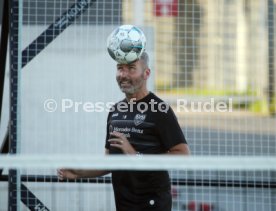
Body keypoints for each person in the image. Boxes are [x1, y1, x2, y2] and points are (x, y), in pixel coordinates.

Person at [58, 52, 190, 211]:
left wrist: (135, 156)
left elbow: (183, 155)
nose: (123, 74)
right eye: (120, 68)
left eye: (131, 68)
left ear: (146, 73)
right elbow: (110, 162)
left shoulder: (160, 110)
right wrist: (78, 173)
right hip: (123, 203)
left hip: (153, 204)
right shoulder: (115, 111)